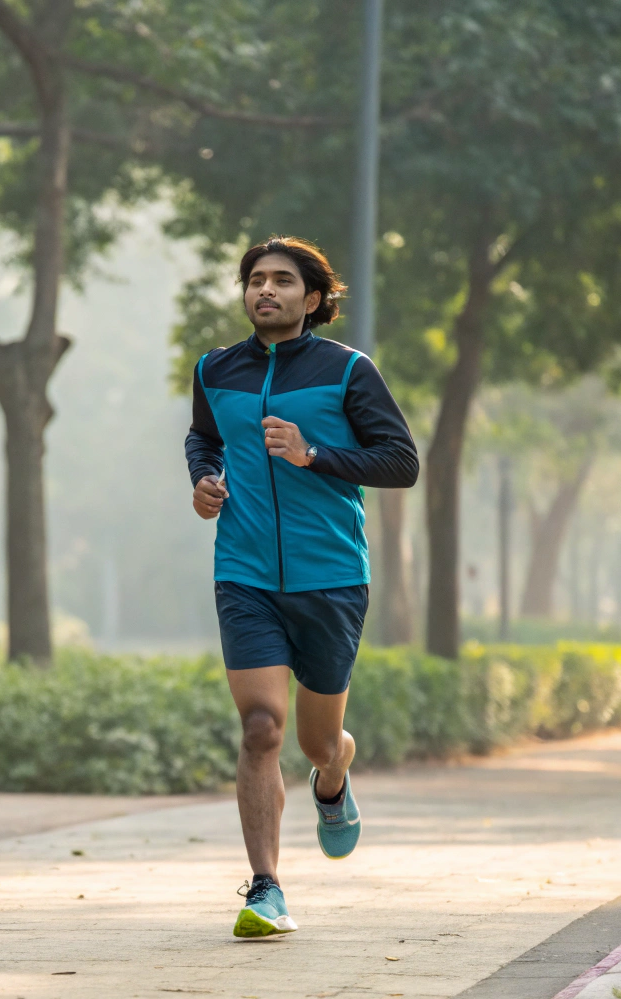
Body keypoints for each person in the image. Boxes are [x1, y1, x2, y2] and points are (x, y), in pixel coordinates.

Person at [185, 236, 418, 938]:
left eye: (282, 281)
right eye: (256, 279)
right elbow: (204, 438)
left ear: (312, 300)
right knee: (261, 730)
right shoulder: (215, 369)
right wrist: (202, 480)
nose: (266, 290)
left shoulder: (348, 370)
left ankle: (334, 771)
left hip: (332, 577)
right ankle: (266, 888)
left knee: (317, 742)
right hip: (245, 573)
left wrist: (315, 456)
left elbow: (400, 461)